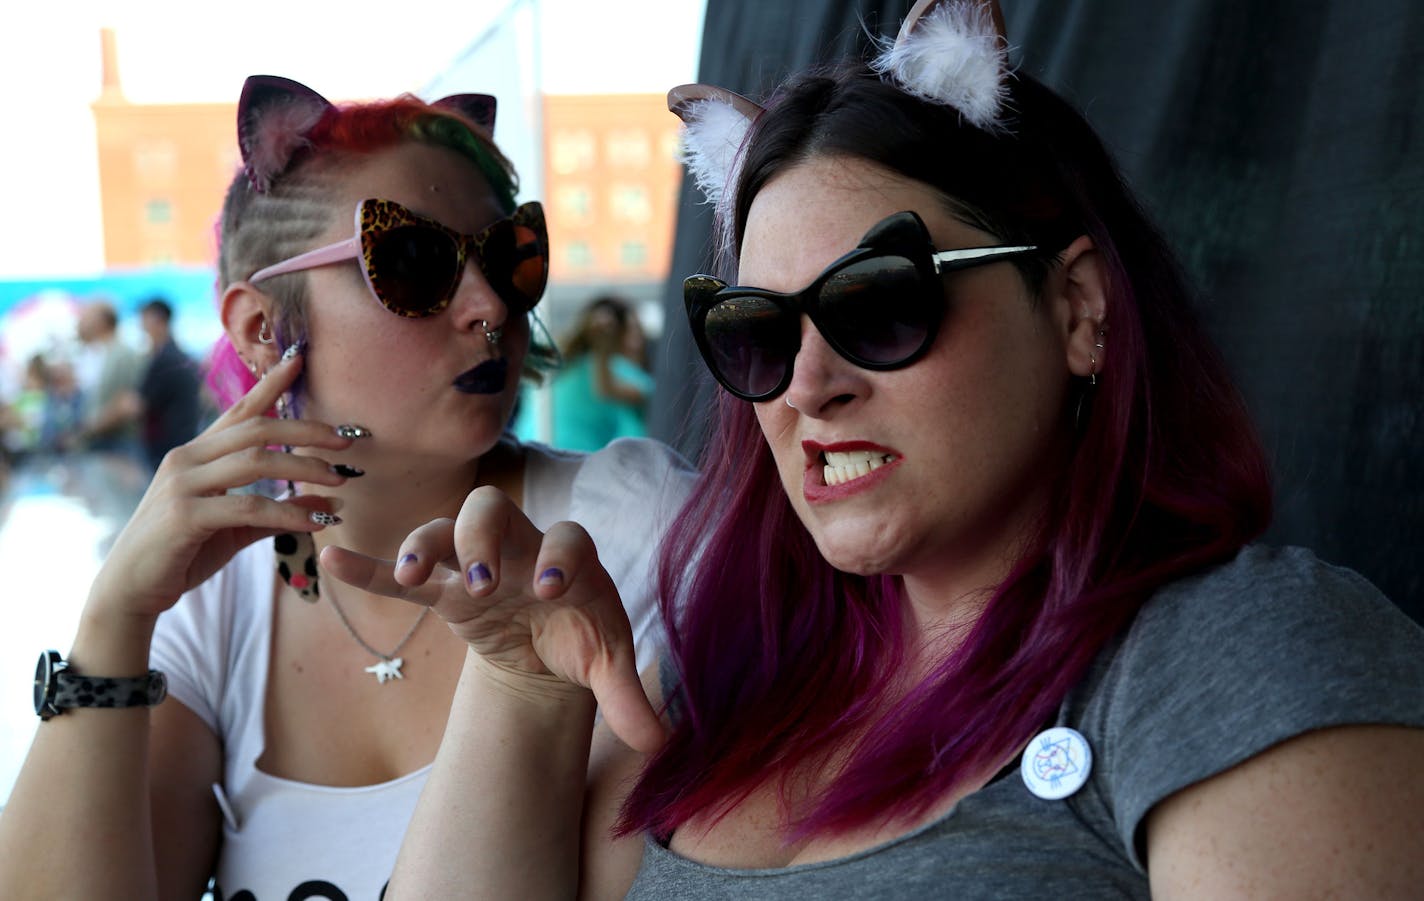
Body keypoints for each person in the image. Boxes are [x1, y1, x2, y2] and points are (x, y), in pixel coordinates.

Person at [366, 2, 1424, 898]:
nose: (808, 384)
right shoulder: (713, 691)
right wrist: (519, 687)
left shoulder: (1234, 652)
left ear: (1077, 309)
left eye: (879, 303)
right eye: (757, 332)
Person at [0, 74, 695, 900]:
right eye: (413, 261)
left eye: (509, 256)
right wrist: (113, 619)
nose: (488, 307)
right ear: (262, 328)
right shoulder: (217, 593)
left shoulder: (626, 527)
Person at [547, 294, 655, 451]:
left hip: (535, 451)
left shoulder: (559, 365)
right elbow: (605, 391)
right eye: (633, 329)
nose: (638, 341)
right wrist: (603, 350)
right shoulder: (619, 370)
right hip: (579, 462)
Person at [135, 296, 205, 471]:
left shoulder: (165, 359)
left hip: (166, 446)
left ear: (157, 319)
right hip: (181, 441)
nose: (141, 325)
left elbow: (138, 405)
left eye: (144, 318)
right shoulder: (179, 356)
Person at [71, 298, 144, 456]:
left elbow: (128, 401)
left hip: (117, 446)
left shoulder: (123, 354)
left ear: (101, 321)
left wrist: (91, 427)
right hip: (101, 443)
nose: (80, 322)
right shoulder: (96, 354)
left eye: (86, 316)